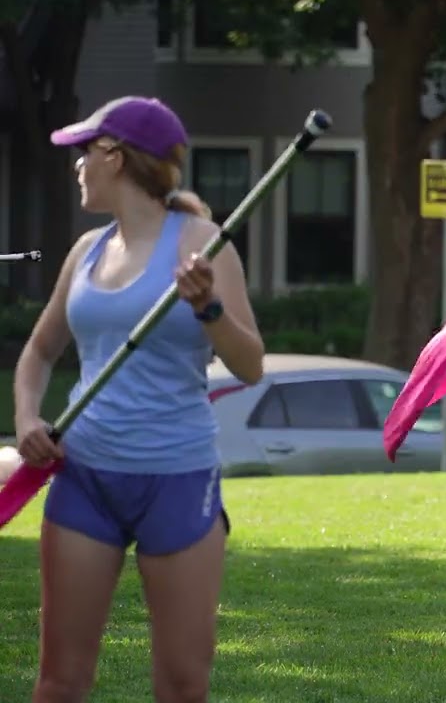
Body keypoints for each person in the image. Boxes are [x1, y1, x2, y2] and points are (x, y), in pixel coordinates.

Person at [14, 96, 264, 702]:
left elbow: (250, 364)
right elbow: (40, 351)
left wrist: (208, 309)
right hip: (85, 479)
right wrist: (25, 417)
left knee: (182, 685)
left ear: (114, 155)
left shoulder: (205, 244)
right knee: (59, 682)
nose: (77, 165)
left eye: (84, 151)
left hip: (176, 479)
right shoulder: (85, 252)